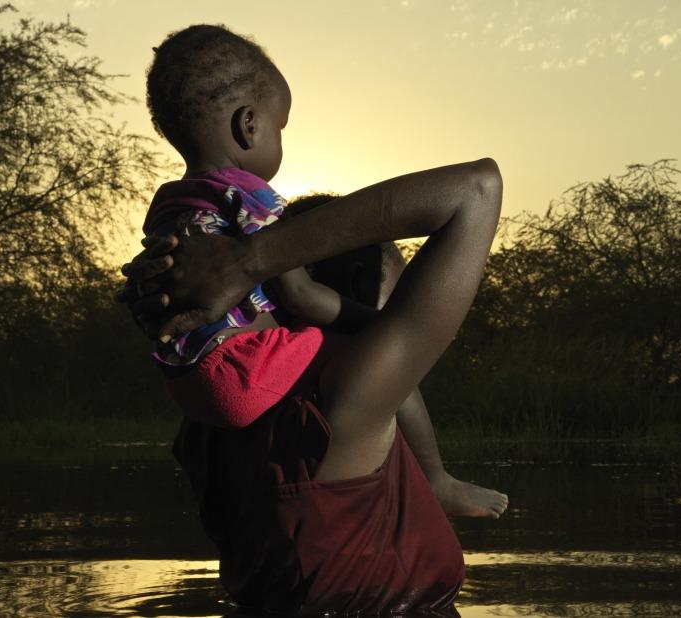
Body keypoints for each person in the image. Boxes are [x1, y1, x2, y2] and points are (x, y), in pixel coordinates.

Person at [139, 24, 506, 521]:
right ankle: (436, 477)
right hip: (251, 369)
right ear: (249, 125)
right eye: (280, 126)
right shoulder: (249, 196)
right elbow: (298, 293)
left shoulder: (167, 204)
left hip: (193, 382)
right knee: (389, 364)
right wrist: (370, 325)